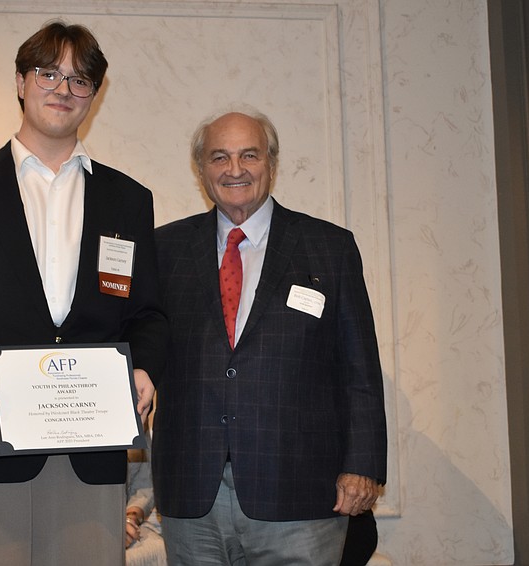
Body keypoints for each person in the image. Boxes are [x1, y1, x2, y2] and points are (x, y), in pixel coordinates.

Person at [0, 21, 167, 566]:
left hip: (89, 461)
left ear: (94, 94)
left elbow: (148, 314)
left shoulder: (129, 199)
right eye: (49, 73)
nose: (63, 90)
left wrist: (145, 370)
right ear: (20, 82)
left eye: (80, 80)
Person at [152, 108, 387, 565]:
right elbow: (142, 348)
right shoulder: (164, 251)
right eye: (219, 157)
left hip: (299, 493)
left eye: (249, 155)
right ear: (201, 170)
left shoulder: (329, 248)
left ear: (272, 164)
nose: (234, 169)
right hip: (192, 493)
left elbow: (360, 371)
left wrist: (362, 466)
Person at [125, 435, 167, 566]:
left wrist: (130, 519)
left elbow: (144, 486)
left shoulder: (136, 419)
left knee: (158, 548)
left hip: (123, 518)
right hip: (72, 522)